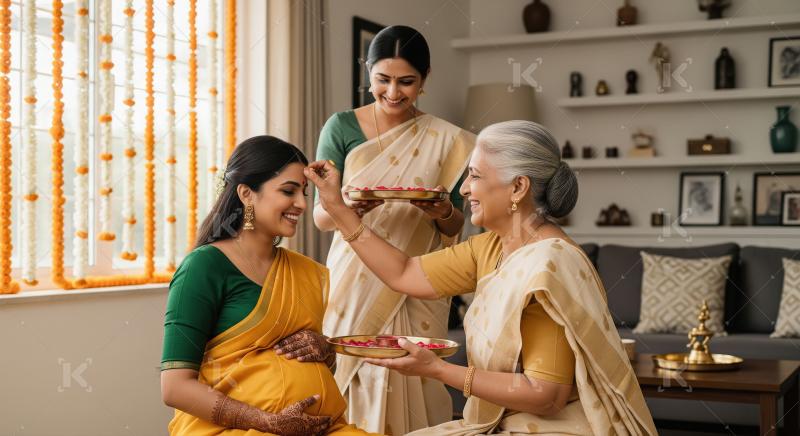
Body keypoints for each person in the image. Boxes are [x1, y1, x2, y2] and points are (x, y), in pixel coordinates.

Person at [308, 121, 657, 435]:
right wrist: (338, 209)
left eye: (475, 176)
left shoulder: (549, 266)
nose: (464, 190)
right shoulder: (491, 247)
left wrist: (439, 371)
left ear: (518, 187)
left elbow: (547, 396)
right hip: (506, 421)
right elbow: (404, 273)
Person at [312, 25, 475, 434]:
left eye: (407, 82)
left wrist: (439, 209)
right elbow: (320, 216)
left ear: (425, 79)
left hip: (419, 279)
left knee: (413, 376)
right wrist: (348, 207)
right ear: (367, 72)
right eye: (382, 80)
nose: (393, 92)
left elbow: (457, 222)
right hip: (355, 275)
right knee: (352, 374)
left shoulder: (448, 140)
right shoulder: (341, 127)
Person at [160, 136, 371, 435]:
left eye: (304, 192)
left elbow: (307, 367)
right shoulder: (205, 266)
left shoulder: (303, 269)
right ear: (247, 194)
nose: (300, 204)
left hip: (325, 428)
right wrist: (268, 422)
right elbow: (175, 387)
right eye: (288, 191)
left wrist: (326, 351)